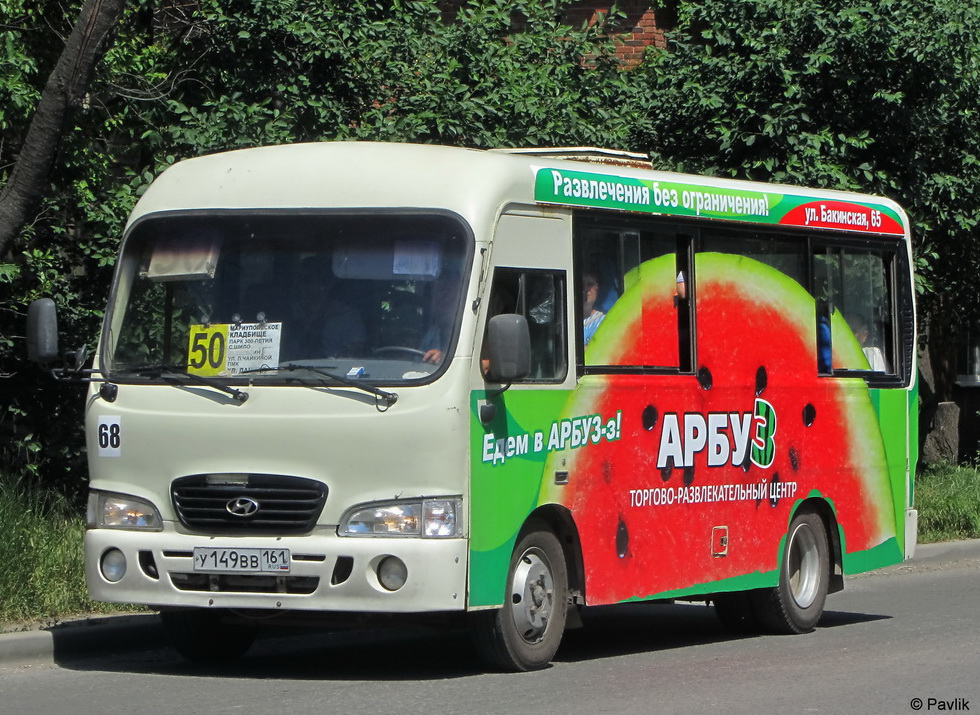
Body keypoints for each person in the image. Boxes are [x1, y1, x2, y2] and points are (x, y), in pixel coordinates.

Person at [291, 255, 366, 359]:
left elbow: (354, 355)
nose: (302, 285)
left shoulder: (347, 316)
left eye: (308, 280)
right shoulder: (291, 313)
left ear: (324, 283)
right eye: (300, 279)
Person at [583, 270, 605, 346]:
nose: (587, 290)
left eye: (590, 285)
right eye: (582, 285)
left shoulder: (603, 321)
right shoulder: (563, 320)